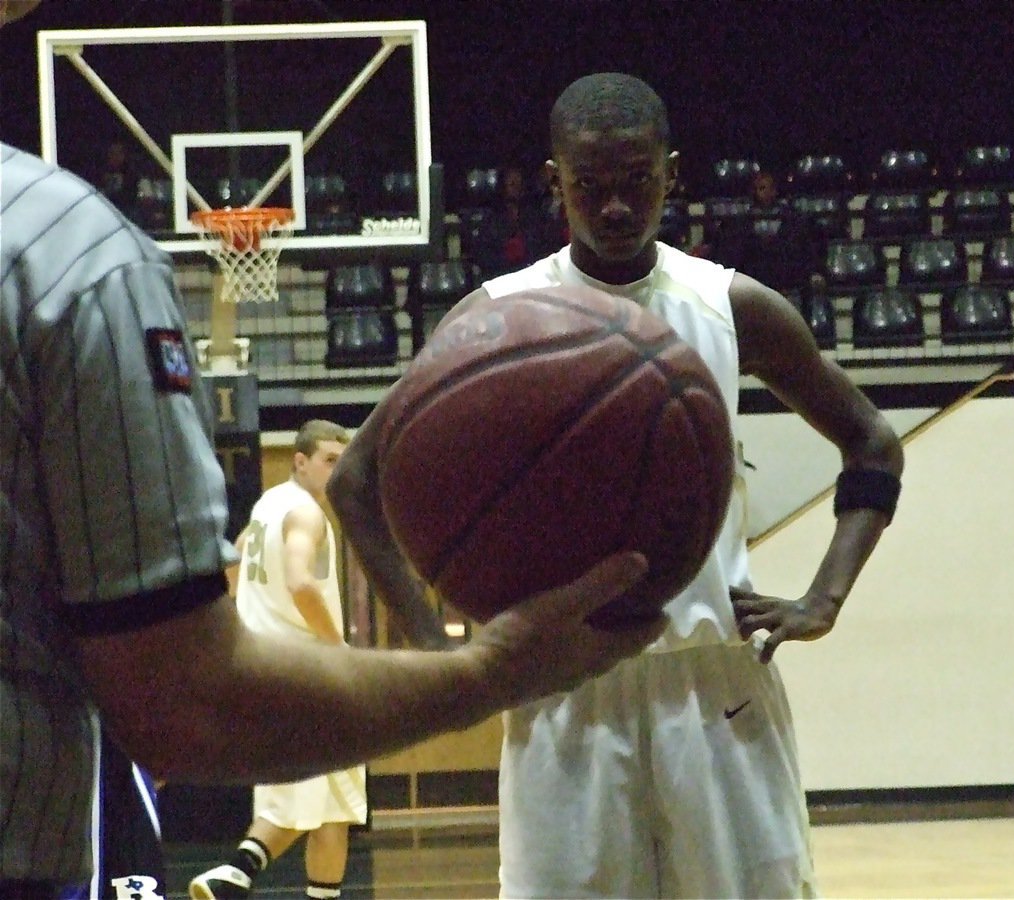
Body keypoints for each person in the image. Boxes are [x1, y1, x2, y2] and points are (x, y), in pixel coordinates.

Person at [0, 6, 666, 893]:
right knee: (324, 813)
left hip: (229, 671)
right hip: (231, 707)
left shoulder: (265, 507)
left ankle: (243, 874)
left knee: (291, 817)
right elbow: (190, 696)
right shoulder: (65, 256)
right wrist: (473, 667)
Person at [328, 72, 904, 899]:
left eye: (636, 182)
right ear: (555, 180)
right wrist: (432, 648)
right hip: (561, 688)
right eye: (590, 186)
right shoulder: (497, 318)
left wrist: (824, 600)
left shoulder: (733, 305)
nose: (615, 207)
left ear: (672, 173)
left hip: (714, 688)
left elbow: (874, 443)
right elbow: (355, 484)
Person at [190, 421, 362, 900]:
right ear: (300, 461)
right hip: (311, 675)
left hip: (266, 672)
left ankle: (234, 875)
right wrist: (338, 648)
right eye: (328, 460)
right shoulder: (306, 514)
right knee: (333, 804)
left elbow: (233, 561)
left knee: (312, 802)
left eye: (340, 461)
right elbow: (301, 582)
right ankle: (238, 874)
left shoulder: (267, 505)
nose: (335, 470)